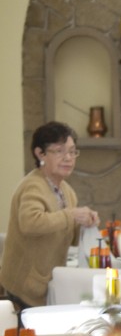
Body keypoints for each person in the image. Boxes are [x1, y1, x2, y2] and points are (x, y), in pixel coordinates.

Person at [0, 122, 100, 310]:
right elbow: (30, 223)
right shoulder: (33, 185)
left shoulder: (66, 191)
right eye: (60, 151)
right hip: (24, 286)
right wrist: (71, 215)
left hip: (44, 283)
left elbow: (67, 233)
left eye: (72, 151)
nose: (68, 158)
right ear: (40, 154)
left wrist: (85, 222)